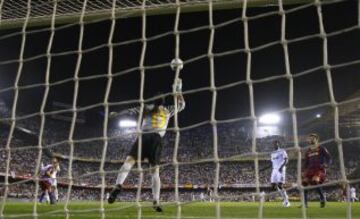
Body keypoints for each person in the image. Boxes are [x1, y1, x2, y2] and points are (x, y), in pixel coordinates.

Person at [108, 78, 185, 213]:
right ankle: (155, 200)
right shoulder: (167, 110)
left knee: (129, 162)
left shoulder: (146, 108)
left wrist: (117, 114)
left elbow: (130, 111)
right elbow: (182, 105)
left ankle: (118, 185)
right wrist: (178, 91)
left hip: (143, 137)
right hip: (156, 139)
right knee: (154, 172)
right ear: (163, 101)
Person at [301, 133, 332, 208]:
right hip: (310, 170)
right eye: (310, 138)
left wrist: (327, 164)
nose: (311, 139)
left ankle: (322, 198)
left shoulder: (321, 148)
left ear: (316, 139)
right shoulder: (308, 151)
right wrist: (302, 170)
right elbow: (306, 162)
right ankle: (305, 204)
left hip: (319, 169)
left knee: (315, 181)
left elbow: (329, 158)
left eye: (312, 138)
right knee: (304, 183)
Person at [270, 140, 290, 207]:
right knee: (273, 186)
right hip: (274, 170)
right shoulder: (272, 153)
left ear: (278, 144)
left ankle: (287, 201)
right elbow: (273, 162)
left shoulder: (282, 151)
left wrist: (282, 167)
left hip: (281, 169)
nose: (275, 145)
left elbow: (286, 160)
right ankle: (284, 199)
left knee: (280, 185)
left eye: (276, 144)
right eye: (273, 144)